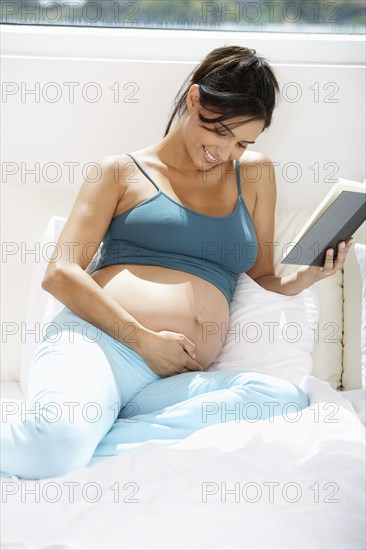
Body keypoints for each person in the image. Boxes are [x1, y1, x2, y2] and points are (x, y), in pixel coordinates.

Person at [1, 46, 353, 480]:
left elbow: (262, 277)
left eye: (243, 143)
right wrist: (146, 341)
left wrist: (306, 277)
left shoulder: (256, 175)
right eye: (221, 133)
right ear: (194, 101)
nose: (227, 152)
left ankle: (95, 435)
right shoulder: (120, 172)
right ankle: (70, 439)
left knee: (279, 397)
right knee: (54, 450)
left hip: (173, 381)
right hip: (99, 347)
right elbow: (61, 273)